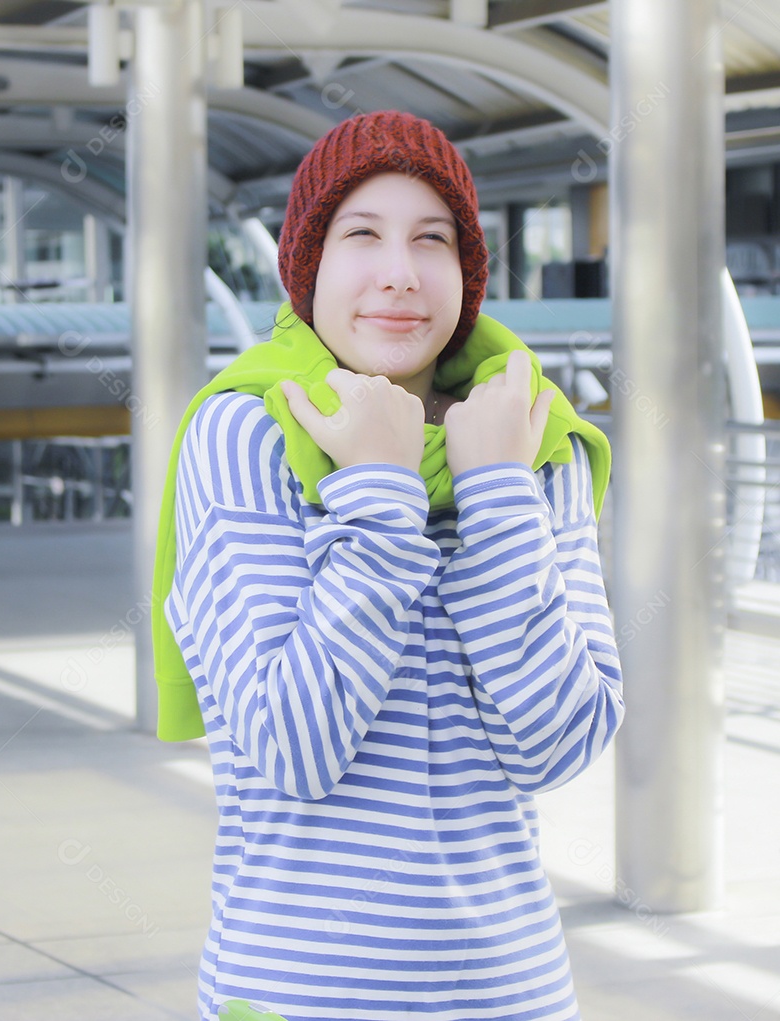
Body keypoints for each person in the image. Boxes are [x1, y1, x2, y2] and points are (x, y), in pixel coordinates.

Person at [151, 110, 624, 1021]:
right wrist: (377, 489)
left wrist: (496, 495)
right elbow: (292, 746)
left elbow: (559, 742)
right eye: (361, 233)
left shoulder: (532, 440)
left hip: (513, 994)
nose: (400, 272)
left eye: (432, 239)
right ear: (309, 268)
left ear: (466, 271)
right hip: (306, 994)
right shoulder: (247, 433)